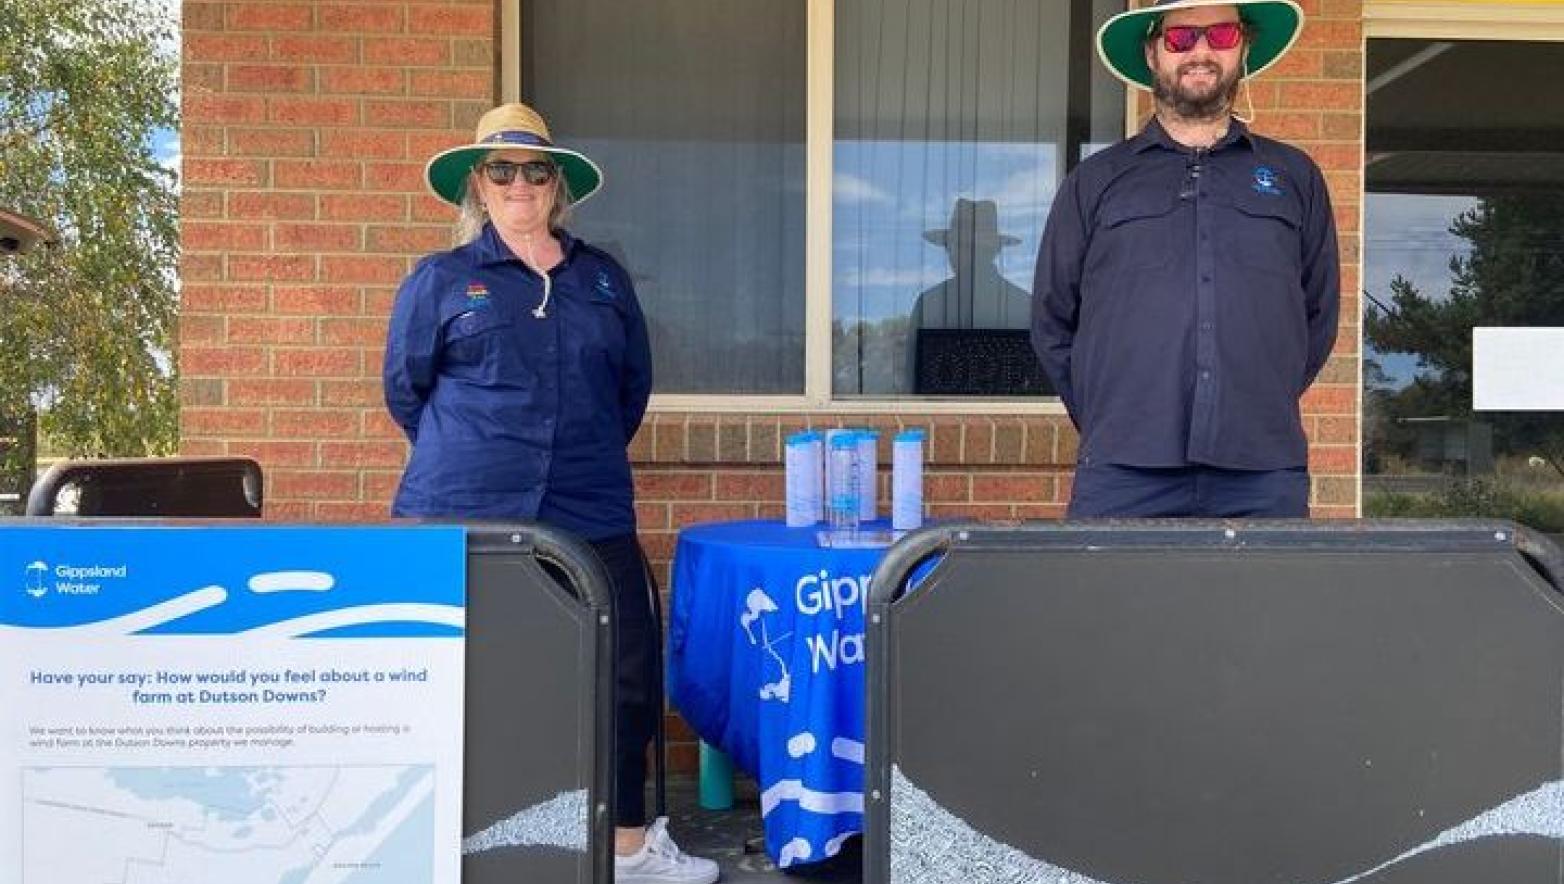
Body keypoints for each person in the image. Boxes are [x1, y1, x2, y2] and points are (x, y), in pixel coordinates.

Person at [383, 103, 719, 884]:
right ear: (478, 183)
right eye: (501, 169)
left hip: (590, 504)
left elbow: (630, 389)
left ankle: (629, 847)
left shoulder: (602, 277)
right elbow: (407, 392)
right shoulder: (441, 279)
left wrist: (575, 449)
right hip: (465, 510)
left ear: (557, 183)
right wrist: (480, 454)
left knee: (625, 674)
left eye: (535, 169)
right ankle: (452, 846)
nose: (519, 183)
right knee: (467, 676)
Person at [1031, 0, 1338, 518]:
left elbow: (1317, 315)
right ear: (1152, 52)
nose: (1200, 51)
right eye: (1180, 39)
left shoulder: (1294, 177)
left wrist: (1258, 394)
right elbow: (1052, 320)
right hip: (1123, 470)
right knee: (1109, 603)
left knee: (1269, 604)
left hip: (1261, 471)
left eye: (1220, 36)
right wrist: (1114, 415)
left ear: (1243, 48)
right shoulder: (1096, 181)